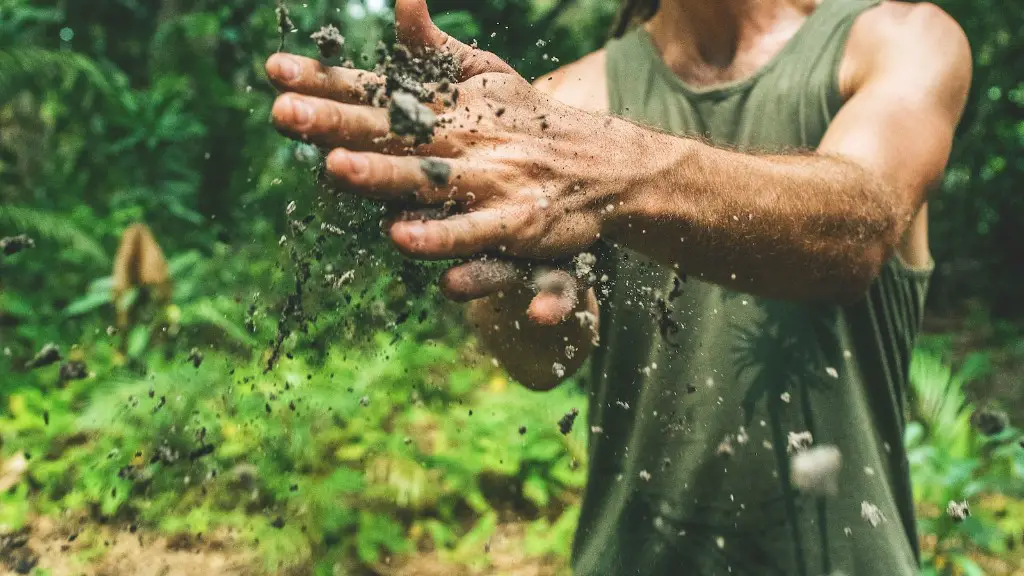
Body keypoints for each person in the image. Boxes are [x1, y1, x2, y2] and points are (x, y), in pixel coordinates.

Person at [265, 0, 971, 572]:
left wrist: (613, 172)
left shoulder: (899, 38)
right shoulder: (562, 103)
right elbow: (540, 362)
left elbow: (854, 231)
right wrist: (534, 287)